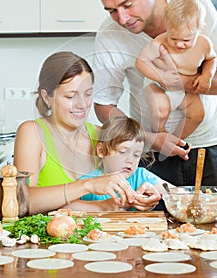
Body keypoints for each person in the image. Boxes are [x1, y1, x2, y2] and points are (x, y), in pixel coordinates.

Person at [93, 0, 217, 210]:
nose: (122, 18)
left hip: (210, 145)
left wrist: (172, 81)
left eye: (128, 5)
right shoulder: (109, 34)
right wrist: (151, 139)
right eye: (112, 10)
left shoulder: (195, 7)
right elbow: (104, 105)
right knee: (153, 236)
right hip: (149, 153)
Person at [14, 51, 161, 214]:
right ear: (47, 97)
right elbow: (21, 201)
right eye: (71, 96)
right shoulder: (32, 133)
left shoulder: (101, 135)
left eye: (88, 94)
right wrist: (89, 186)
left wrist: (147, 197)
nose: (82, 105)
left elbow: (133, 180)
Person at [135, 0, 217, 139]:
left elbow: (211, 59)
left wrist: (206, 76)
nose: (179, 44)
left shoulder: (204, 44)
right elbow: (141, 62)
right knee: (161, 109)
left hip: (183, 91)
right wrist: (161, 76)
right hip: (157, 85)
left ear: (200, 29)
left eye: (186, 40)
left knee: (198, 114)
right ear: (167, 26)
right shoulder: (159, 42)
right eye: (173, 38)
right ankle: (160, 134)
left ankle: (175, 140)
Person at [80, 116, 174, 210]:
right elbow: (68, 207)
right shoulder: (88, 182)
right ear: (101, 150)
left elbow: (178, 193)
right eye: (123, 152)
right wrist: (101, 205)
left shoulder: (141, 176)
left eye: (136, 155)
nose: (130, 160)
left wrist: (157, 195)